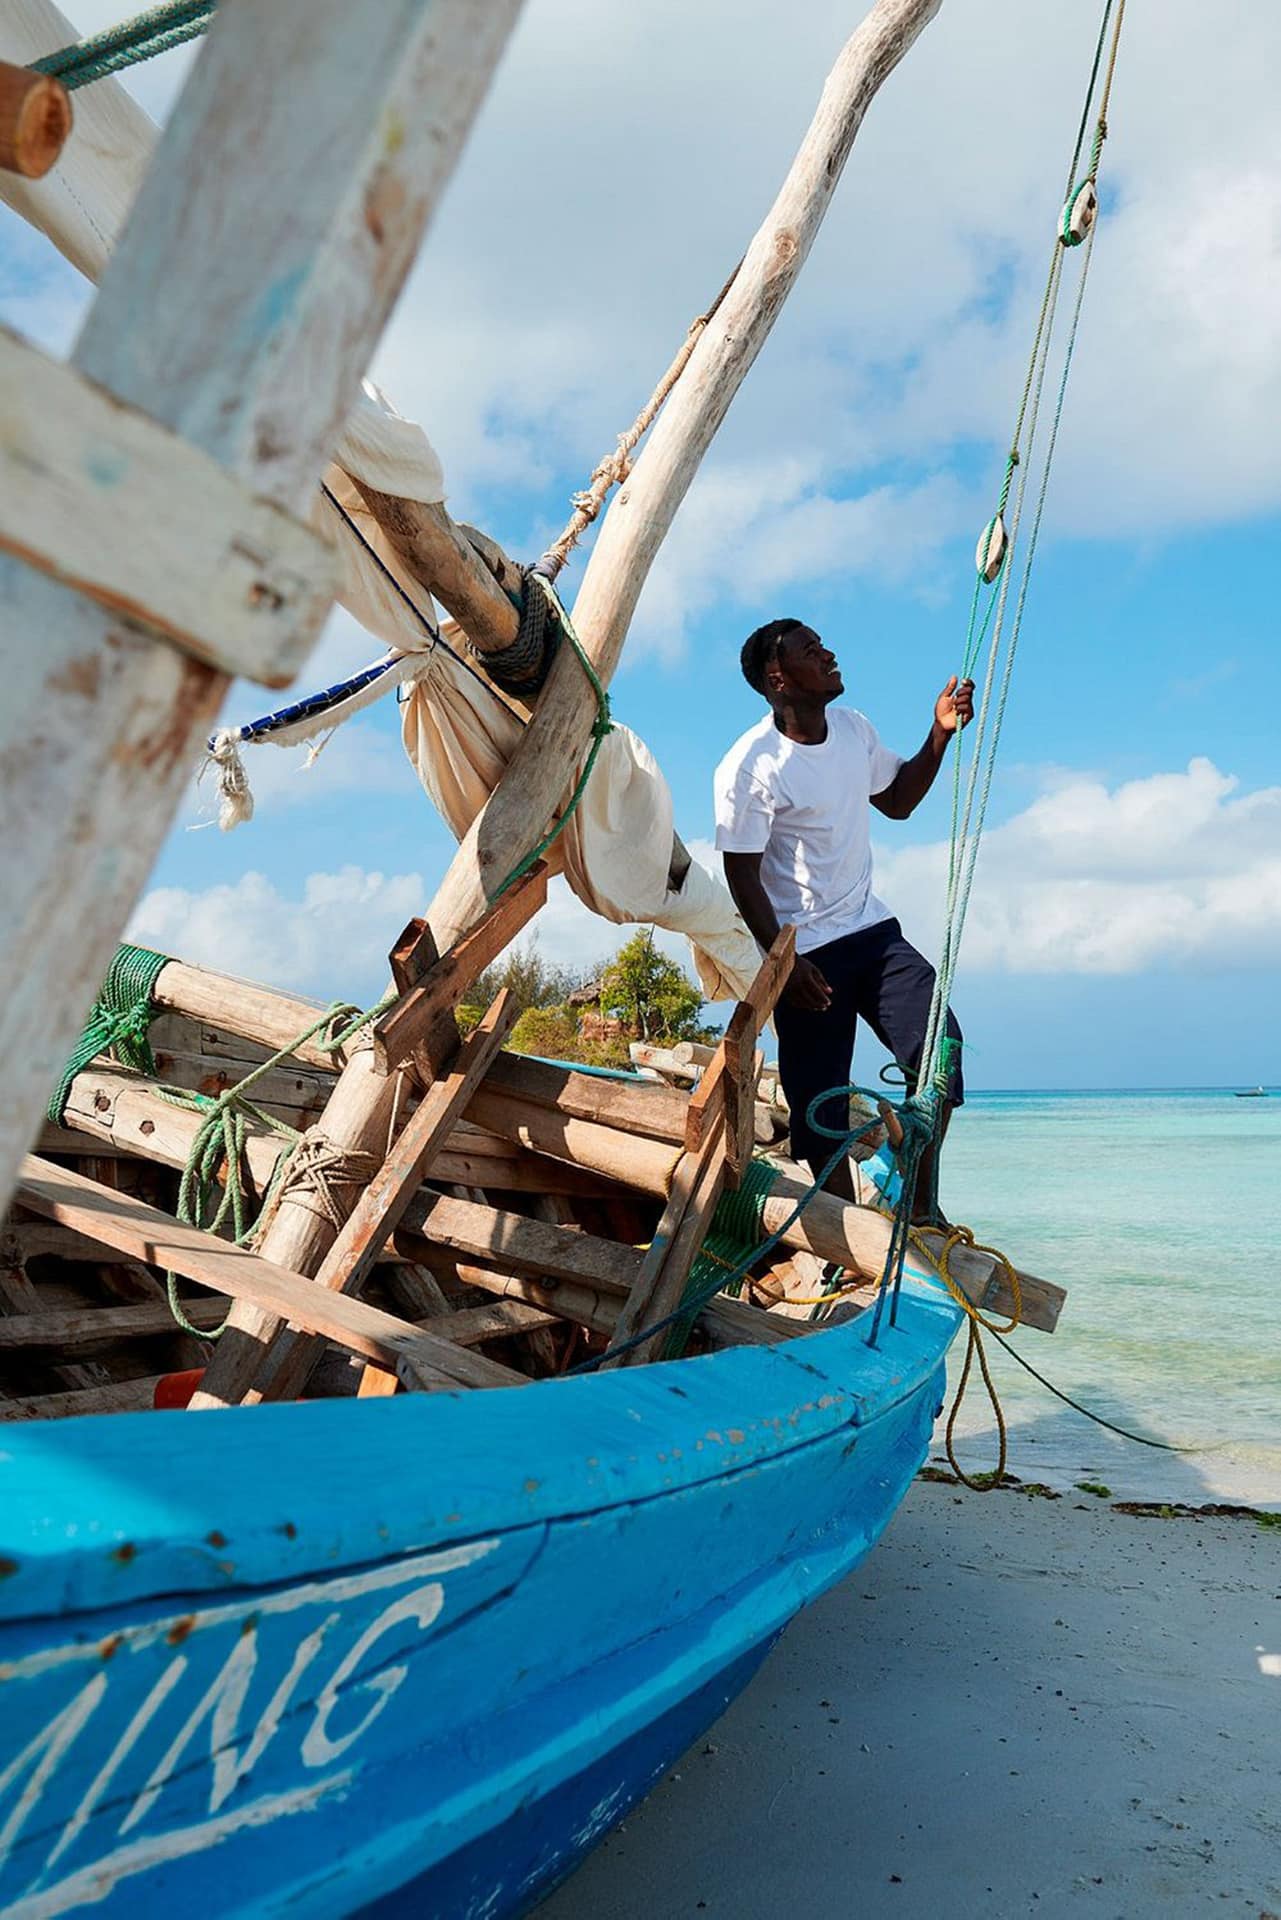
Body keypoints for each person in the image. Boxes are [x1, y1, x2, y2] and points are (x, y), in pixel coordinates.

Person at [713, 617, 973, 1221]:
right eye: (812, 649)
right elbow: (741, 876)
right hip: (806, 958)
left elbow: (899, 801)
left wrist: (938, 733)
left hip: (873, 936)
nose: (829, 652)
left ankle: (920, 1206)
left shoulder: (853, 730)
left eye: (824, 643)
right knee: (817, 1114)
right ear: (778, 677)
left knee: (942, 1049)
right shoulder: (750, 767)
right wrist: (786, 959)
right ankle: (842, 1240)